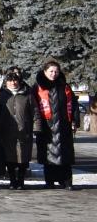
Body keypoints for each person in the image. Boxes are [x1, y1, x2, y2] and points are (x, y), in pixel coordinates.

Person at [33, 60, 78, 189]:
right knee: (49, 156)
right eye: (51, 71)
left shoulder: (65, 86)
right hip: (47, 127)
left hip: (63, 126)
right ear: (45, 72)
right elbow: (33, 107)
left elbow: (73, 105)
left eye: (56, 71)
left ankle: (67, 181)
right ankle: (50, 181)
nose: (54, 74)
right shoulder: (37, 87)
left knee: (65, 156)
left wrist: (74, 121)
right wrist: (36, 125)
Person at [0, 70, 34, 190]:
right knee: (10, 158)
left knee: (23, 158)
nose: (13, 83)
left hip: (24, 131)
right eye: (10, 81)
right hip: (6, 132)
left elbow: (35, 112)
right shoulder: (2, 96)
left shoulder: (27, 95)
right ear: (6, 82)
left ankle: (21, 181)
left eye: (15, 80)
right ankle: (12, 181)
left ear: (19, 81)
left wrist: (36, 127)